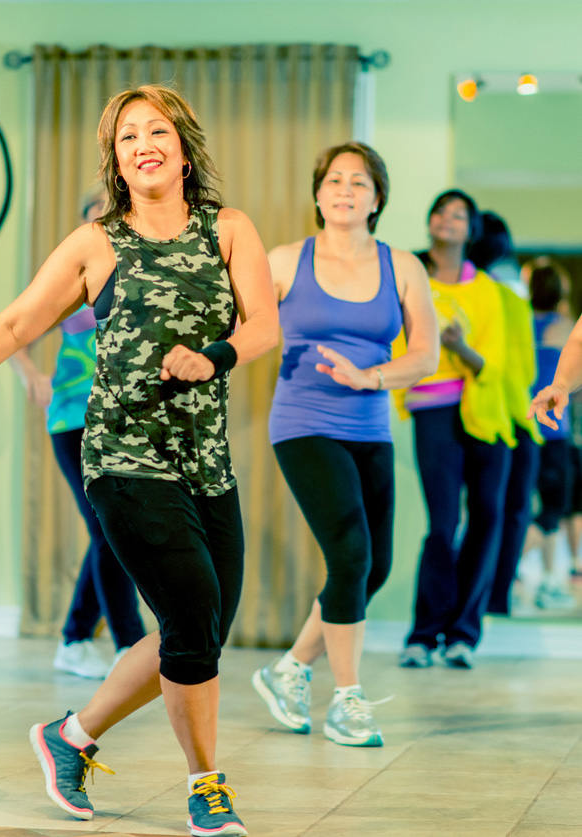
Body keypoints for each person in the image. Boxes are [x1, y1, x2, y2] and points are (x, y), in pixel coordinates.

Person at [0, 83, 277, 836]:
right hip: (123, 456)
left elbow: (264, 326)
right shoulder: (97, 243)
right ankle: (206, 786)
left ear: (184, 148)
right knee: (192, 614)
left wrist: (213, 356)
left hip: (206, 461)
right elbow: (16, 323)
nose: (142, 145)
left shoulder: (228, 229)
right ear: (115, 161)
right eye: (127, 137)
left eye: (156, 131)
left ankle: (72, 734)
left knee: (202, 627)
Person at [251, 142, 437, 748]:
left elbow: (426, 354)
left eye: (359, 182)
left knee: (372, 567)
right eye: (334, 180)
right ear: (317, 193)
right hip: (303, 422)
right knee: (353, 554)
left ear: (377, 198)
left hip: (370, 426)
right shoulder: (285, 261)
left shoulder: (402, 266)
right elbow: (244, 328)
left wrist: (370, 377)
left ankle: (289, 669)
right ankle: (348, 700)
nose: (345, 190)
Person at [12, 189, 145, 678]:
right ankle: (129, 645)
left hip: (127, 421)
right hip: (75, 418)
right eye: (95, 217)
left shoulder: (145, 275)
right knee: (109, 529)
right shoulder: (71, 279)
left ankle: (74, 638)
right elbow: (14, 333)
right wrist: (31, 375)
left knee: (113, 529)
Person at [397, 190, 513, 670]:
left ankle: (464, 634)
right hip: (433, 409)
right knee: (442, 525)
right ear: (430, 222)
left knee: (486, 518)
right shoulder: (410, 278)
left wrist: (460, 348)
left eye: (459, 214)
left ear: (472, 230)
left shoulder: (487, 290)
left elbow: (493, 365)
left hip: (485, 415)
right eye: (441, 211)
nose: (448, 219)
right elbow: (397, 344)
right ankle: (424, 636)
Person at [466, 213, 543, 617]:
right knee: (513, 513)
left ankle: (474, 599)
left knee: (483, 514)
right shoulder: (512, 299)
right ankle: (498, 598)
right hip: (518, 416)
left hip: (480, 415)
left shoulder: (471, 295)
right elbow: (527, 369)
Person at [525, 259, 577, 609]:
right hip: (556, 433)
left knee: (546, 510)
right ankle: (503, 560)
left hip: (527, 428)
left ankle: (547, 579)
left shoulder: (524, 325)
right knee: (553, 509)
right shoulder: (565, 329)